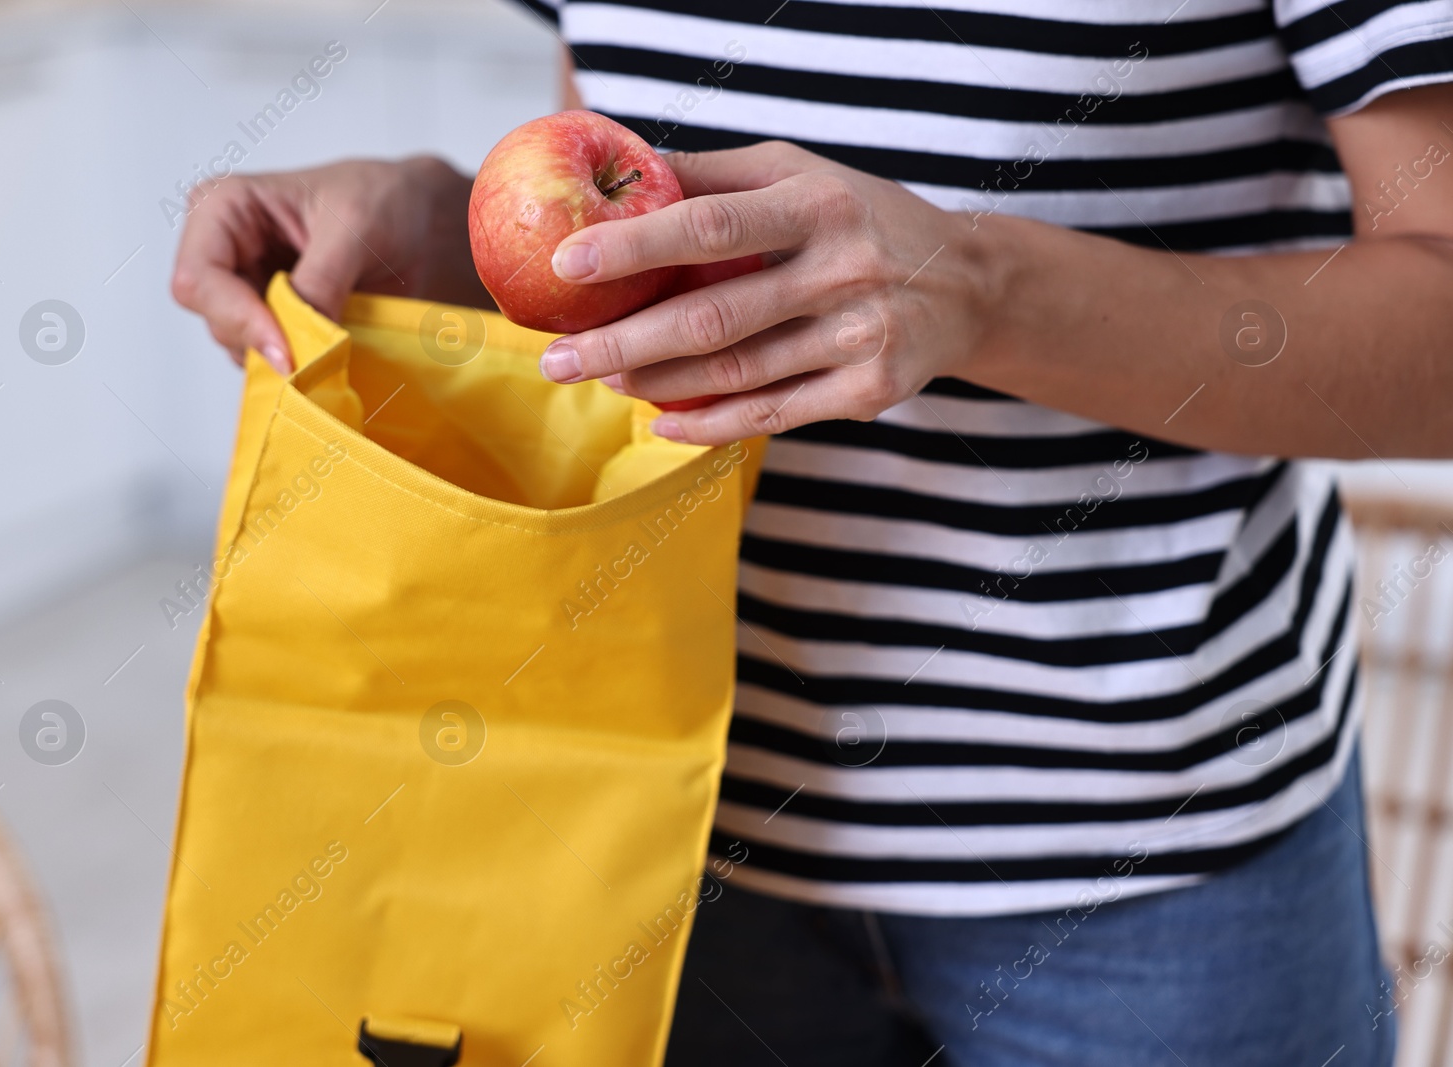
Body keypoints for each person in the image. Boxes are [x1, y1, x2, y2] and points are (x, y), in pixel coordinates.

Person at [170, 1, 1453, 1062]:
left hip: (1147, 866)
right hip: (665, 829)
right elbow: (643, 203)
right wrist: (449, 230)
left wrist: (984, 291)